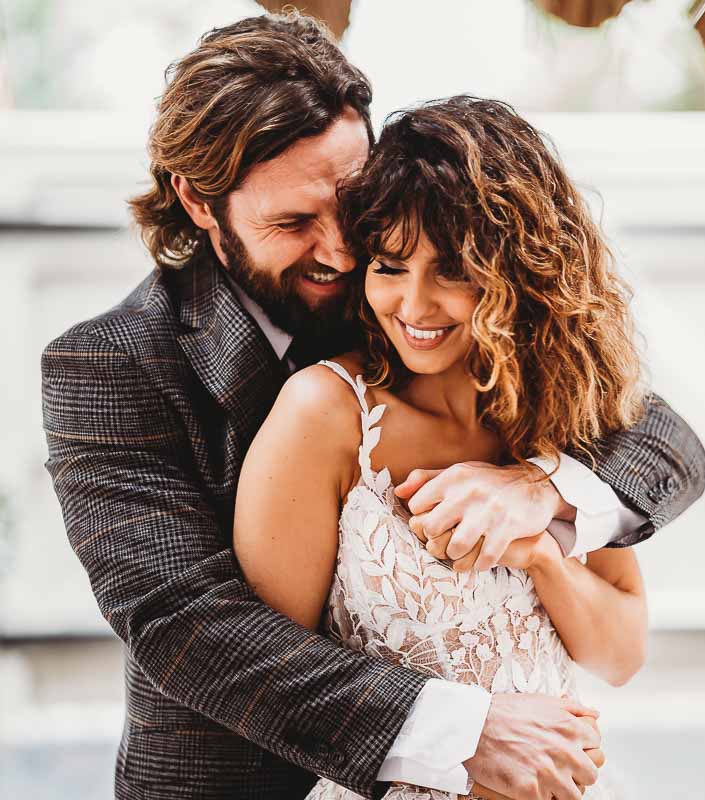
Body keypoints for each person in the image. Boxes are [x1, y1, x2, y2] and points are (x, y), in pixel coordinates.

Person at [39, 13, 705, 800]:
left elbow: (658, 434)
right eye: (291, 223)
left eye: (350, 208)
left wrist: (543, 496)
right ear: (195, 199)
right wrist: (460, 735)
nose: (341, 253)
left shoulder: (406, 294)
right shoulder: (111, 364)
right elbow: (186, 624)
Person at [235, 94, 652, 800]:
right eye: (391, 267)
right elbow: (276, 681)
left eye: (452, 271)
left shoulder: (553, 415)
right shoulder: (326, 414)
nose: (415, 306)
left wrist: (542, 556)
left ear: (520, 271)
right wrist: (462, 734)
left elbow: (621, 654)